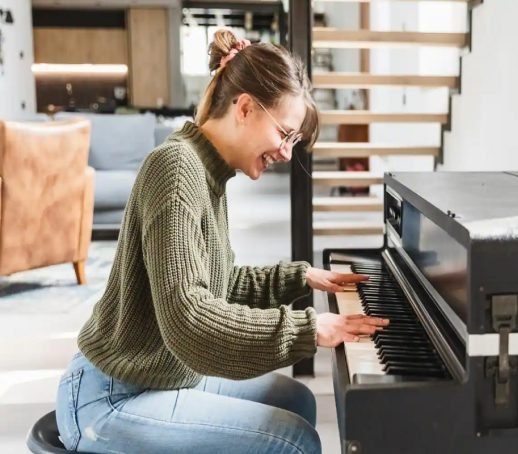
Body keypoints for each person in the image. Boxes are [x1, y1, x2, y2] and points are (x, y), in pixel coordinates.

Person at [55, 29, 388, 454]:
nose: (287, 153)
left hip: (162, 375)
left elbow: (221, 284)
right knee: (295, 441)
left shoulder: (208, 172)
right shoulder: (176, 170)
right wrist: (308, 329)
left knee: (297, 399)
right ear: (245, 107)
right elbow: (189, 319)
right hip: (109, 397)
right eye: (284, 134)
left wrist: (303, 277)